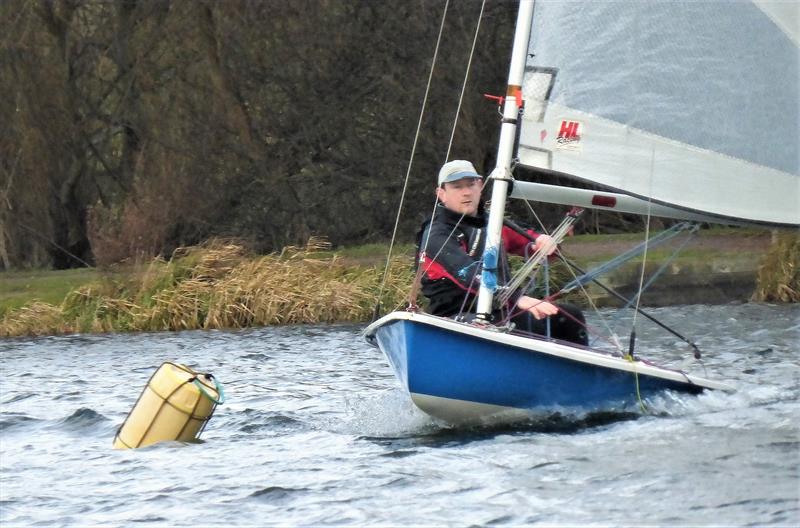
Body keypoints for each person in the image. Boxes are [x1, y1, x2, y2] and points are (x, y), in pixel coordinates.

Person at [416, 159, 588, 346]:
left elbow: (538, 246)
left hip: (501, 311)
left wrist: (543, 245)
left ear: (480, 186)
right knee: (505, 327)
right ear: (441, 194)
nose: (466, 192)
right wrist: (515, 298)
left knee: (570, 316)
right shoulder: (435, 235)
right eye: (457, 187)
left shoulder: (495, 224)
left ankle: (584, 372)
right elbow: (466, 271)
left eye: (471, 185)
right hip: (453, 318)